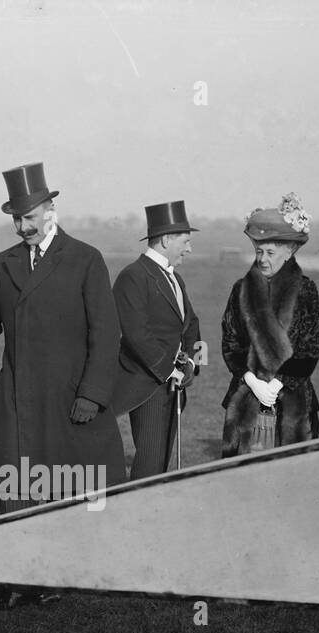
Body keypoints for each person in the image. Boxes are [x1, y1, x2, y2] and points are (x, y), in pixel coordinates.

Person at [0, 162, 124, 511]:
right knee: (17, 503)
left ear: (51, 212)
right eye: (17, 219)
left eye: (31, 218)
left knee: (78, 500)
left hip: (71, 403)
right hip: (17, 404)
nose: (23, 227)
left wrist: (93, 394)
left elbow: (106, 331)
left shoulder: (85, 260)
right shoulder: (1, 264)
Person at [220, 194, 319, 454]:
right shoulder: (240, 289)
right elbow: (231, 342)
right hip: (245, 396)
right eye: (258, 251)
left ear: (288, 252)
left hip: (293, 402)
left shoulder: (306, 290)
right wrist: (253, 381)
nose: (263, 259)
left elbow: (310, 348)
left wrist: (277, 384)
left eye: (270, 252)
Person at [110, 201, 201, 479]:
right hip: (147, 386)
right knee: (149, 464)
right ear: (165, 240)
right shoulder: (133, 276)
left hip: (173, 385)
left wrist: (193, 366)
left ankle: (151, 517)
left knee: (161, 464)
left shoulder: (176, 279)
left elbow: (191, 325)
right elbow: (136, 335)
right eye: (185, 242)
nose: (189, 248)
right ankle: (135, 518)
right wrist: (169, 370)